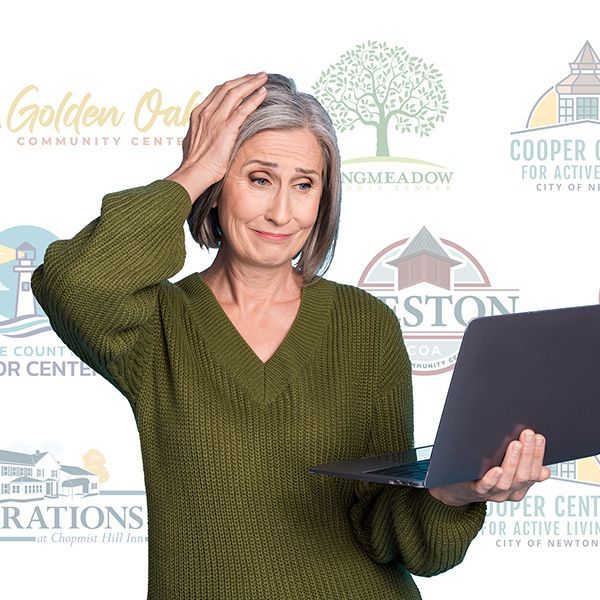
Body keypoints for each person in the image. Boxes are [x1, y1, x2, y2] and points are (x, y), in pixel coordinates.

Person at [31, 72, 550, 599]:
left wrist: (453, 490)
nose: (281, 211)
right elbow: (74, 283)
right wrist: (192, 170)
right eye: (259, 178)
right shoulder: (156, 325)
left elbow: (382, 525)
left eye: (304, 184)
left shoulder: (364, 325)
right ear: (216, 188)